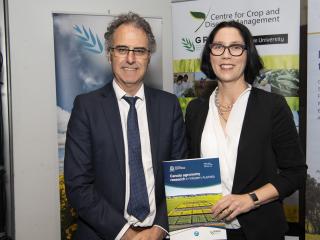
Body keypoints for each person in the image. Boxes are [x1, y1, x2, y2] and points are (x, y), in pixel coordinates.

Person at [64, 12, 187, 240]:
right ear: (109, 55)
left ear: (149, 57)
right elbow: (78, 185)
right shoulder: (86, 108)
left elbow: (180, 176)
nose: (130, 59)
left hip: (159, 233)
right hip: (105, 234)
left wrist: (159, 229)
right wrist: (126, 234)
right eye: (122, 49)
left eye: (139, 51)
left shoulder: (169, 106)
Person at [185, 21, 306, 240]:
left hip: (259, 231)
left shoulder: (272, 106)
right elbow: (189, 170)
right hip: (206, 231)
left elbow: (295, 174)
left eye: (235, 47)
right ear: (209, 54)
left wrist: (249, 199)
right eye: (218, 46)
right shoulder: (196, 109)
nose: (226, 55)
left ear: (247, 54)